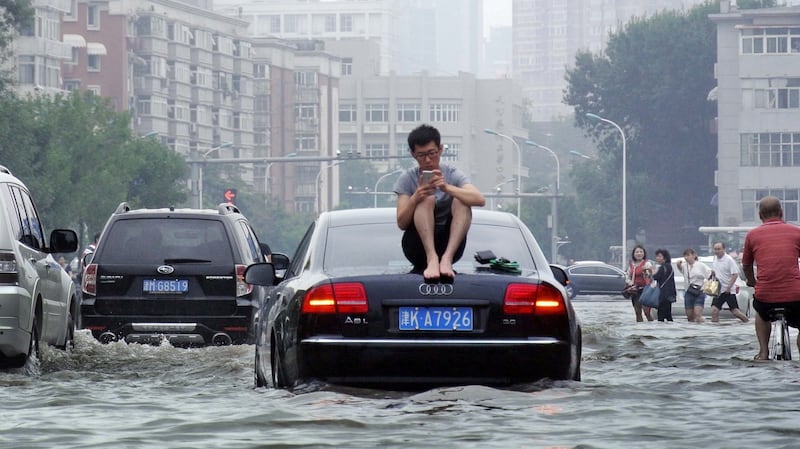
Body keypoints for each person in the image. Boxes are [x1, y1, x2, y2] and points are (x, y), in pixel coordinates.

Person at [394, 124, 485, 280]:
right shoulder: (407, 179)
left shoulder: (452, 174)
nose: (428, 160)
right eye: (421, 155)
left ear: (441, 149)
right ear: (413, 154)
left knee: (462, 201)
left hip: (449, 247)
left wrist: (446, 188)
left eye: (432, 153)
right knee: (426, 198)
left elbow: (479, 199)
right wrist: (416, 196)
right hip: (417, 248)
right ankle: (432, 259)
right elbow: (401, 222)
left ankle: (446, 260)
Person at [741, 196, 800, 360]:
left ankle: (763, 352)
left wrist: (752, 281)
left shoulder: (752, 235)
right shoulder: (797, 232)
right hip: (796, 296)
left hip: (766, 297)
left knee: (761, 313)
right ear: (781, 213)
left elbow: (746, 265)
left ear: (760, 216)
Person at [710, 241, 749, 323]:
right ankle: (714, 329)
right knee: (714, 310)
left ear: (724, 249)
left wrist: (729, 287)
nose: (717, 251)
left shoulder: (729, 260)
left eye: (719, 249)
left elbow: (735, 274)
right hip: (719, 290)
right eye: (715, 249)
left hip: (728, 290)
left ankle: (747, 321)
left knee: (735, 311)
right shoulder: (715, 259)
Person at [676, 248, 712, 323]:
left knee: (697, 313)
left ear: (694, 255)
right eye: (685, 256)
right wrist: (678, 264)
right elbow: (679, 268)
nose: (686, 257)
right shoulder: (684, 266)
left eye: (688, 255)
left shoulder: (701, 265)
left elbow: (710, 275)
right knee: (689, 316)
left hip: (700, 291)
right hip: (689, 292)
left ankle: (703, 323)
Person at [625, 244, 654, 322]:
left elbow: (651, 277)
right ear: (634, 254)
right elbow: (628, 277)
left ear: (644, 253)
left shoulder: (647, 264)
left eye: (641, 252)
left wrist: (647, 271)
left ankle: (652, 327)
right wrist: (630, 283)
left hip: (646, 290)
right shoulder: (632, 265)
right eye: (637, 252)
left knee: (647, 312)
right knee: (638, 312)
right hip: (635, 290)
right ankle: (639, 329)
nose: (639, 254)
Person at [652, 248, 676, 322]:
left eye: (660, 256)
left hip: (664, 294)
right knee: (668, 314)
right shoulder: (670, 267)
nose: (657, 258)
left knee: (661, 315)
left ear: (665, 258)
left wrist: (652, 271)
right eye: (657, 256)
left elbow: (656, 277)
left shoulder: (663, 268)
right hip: (670, 294)